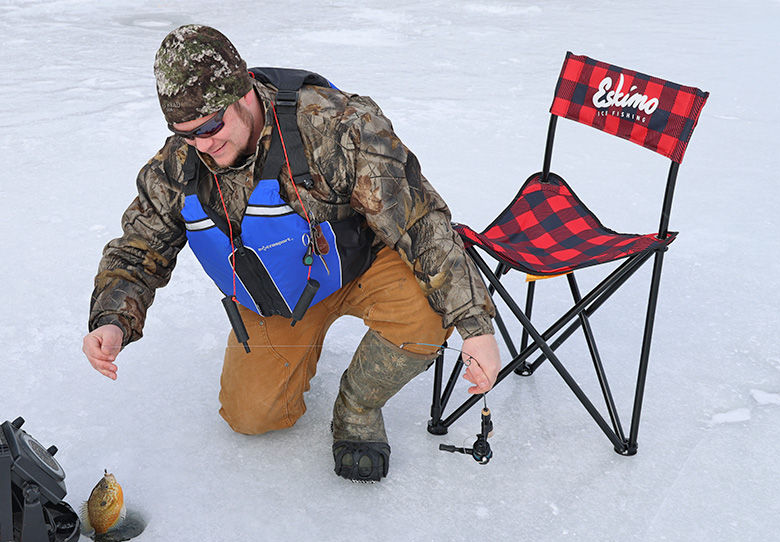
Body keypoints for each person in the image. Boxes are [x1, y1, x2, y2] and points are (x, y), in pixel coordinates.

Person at [82, 24, 500, 482]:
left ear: (242, 93)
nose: (202, 145)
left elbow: (421, 223)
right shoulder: (178, 166)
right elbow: (138, 250)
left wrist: (475, 326)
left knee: (427, 312)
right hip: (279, 289)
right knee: (251, 416)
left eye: (211, 126)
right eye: (186, 133)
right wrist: (112, 320)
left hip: (363, 265)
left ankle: (357, 407)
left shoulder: (337, 126)